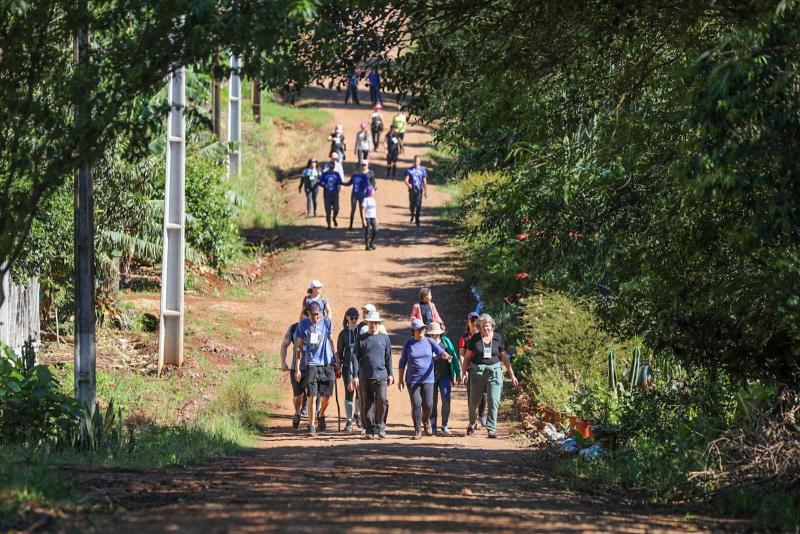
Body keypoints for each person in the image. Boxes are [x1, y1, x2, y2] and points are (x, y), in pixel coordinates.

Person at [463, 313, 519, 438]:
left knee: (494, 401)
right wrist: (463, 374)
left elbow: (504, 357)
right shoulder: (475, 339)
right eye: (483, 326)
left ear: (492, 326)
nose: (486, 329)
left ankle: (491, 428)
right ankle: (472, 423)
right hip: (477, 373)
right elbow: (467, 357)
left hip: (494, 372)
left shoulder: (498, 338)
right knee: (473, 403)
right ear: (479, 326)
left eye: (488, 326)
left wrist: (512, 375)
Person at [399, 319, 447, 439]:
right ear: (413, 331)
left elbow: (440, 352)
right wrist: (400, 379)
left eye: (423, 329)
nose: (421, 331)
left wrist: (446, 356)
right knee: (416, 404)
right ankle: (417, 430)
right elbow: (402, 362)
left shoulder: (430, 341)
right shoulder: (408, 344)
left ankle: (426, 421)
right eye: (418, 329)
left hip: (428, 379)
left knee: (429, 404)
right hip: (412, 379)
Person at [295, 302, 339, 435]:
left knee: (327, 397)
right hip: (312, 363)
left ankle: (321, 414)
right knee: (312, 396)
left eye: (317, 315)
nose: (316, 318)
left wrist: (336, 358)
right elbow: (299, 347)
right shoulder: (303, 325)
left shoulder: (326, 322)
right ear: (308, 313)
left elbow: (331, 340)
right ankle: (311, 425)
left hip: (327, 363)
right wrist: (297, 367)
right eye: (313, 315)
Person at [352, 310, 393, 439]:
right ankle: (369, 429)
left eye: (375, 322)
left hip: (381, 375)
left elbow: (388, 357)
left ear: (378, 323)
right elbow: (355, 357)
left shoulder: (384, 338)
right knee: (367, 403)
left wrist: (390, 374)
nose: (373, 324)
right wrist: (355, 376)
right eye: (371, 322)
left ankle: (380, 427)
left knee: (382, 400)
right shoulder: (361, 339)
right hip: (365, 376)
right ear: (367, 323)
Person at [426, 322, 460, 435]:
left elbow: (454, 357)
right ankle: (433, 425)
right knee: (431, 402)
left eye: (437, 334)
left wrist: (458, 373)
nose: (435, 336)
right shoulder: (425, 342)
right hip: (430, 377)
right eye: (432, 334)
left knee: (446, 399)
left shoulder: (446, 341)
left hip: (445, 375)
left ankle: (444, 425)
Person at [460, 311, 487, 427]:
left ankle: (481, 416)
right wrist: (464, 371)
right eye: (472, 320)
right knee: (472, 395)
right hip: (471, 369)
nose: (474, 322)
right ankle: (473, 418)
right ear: (468, 322)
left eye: (476, 320)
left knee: (484, 394)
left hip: (483, 368)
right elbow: (461, 355)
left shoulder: (484, 336)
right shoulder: (465, 338)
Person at [337, 308, 362, 431]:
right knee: (349, 392)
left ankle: (357, 415)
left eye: (356, 318)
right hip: (347, 367)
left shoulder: (361, 332)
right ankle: (349, 421)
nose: (354, 320)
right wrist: (338, 367)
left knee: (360, 393)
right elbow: (340, 353)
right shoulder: (343, 334)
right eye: (351, 318)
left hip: (360, 367)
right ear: (347, 318)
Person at [319, 162, 348, 230]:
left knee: (336, 208)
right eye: (330, 166)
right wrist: (323, 185)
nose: (331, 167)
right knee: (328, 211)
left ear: (334, 167)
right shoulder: (324, 174)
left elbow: (340, 182)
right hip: (327, 194)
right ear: (328, 166)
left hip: (335, 194)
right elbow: (320, 182)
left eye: (332, 166)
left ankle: (334, 218)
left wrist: (339, 184)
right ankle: (329, 225)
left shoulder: (336, 174)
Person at [404, 155, 428, 226]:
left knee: (418, 205)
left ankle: (417, 219)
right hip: (412, 190)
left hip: (419, 190)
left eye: (417, 161)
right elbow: (405, 180)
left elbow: (424, 181)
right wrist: (409, 185)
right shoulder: (409, 170)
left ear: (420, 161)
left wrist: (426, 191)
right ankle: (412, 215)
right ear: (413, 161)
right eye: (415, 161)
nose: (416, 162)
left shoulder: (422, 170)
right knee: (412, 204)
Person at [348, 162, 372, 230]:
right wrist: (340, 183)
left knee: (360, 210)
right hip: (357, 194)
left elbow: (366, 185)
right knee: (355, 210)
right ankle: (352, 225)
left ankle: (362, 225)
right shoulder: (356, 176)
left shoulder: (363, 176)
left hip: (358, 194)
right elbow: (349, 183)